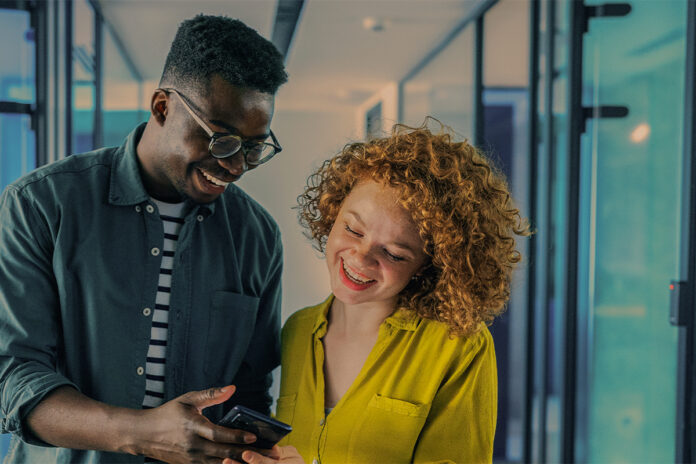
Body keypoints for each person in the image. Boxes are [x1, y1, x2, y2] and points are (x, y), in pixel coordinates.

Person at [0, 15, 288, 464]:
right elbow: (15, 378)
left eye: (253, 147)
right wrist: (140, 433)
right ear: (161, 107)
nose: (235, 166)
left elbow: (250, 391)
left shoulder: (258, 237)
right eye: (221, 140)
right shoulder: (41, 204)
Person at [237, 121, 529, 464]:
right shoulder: (297, 330)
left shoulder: (457, 344)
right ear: (333, 212)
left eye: (393, 253)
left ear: (429, 264)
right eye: (352, 229)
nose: (361, 257)